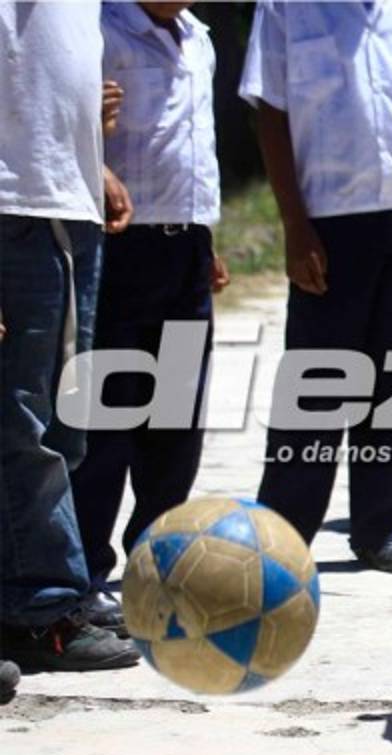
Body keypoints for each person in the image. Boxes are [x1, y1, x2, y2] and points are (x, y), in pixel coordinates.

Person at [240, 1, 392, 573]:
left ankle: (386, 527)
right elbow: (272, 113)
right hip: (328, 223)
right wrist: (294, 225)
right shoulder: (288, 9)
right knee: (315, 387)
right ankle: (285, 535)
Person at [69, 1, 231, 634]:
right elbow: (68, 129)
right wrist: (96, 147)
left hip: (186, 243)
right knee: (110, 417)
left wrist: (206, 237)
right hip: (120, 244)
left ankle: (155, 570)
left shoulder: (200, 38)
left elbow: (196, 143)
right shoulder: (100, 28)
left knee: (177, 422)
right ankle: (81, 576)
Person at [0, 0, 140, 671]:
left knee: (63, 426)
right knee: (18, 426)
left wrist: (95, 166)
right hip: (12, 209)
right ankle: (36, 609)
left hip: (65, 202)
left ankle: (58, 584)